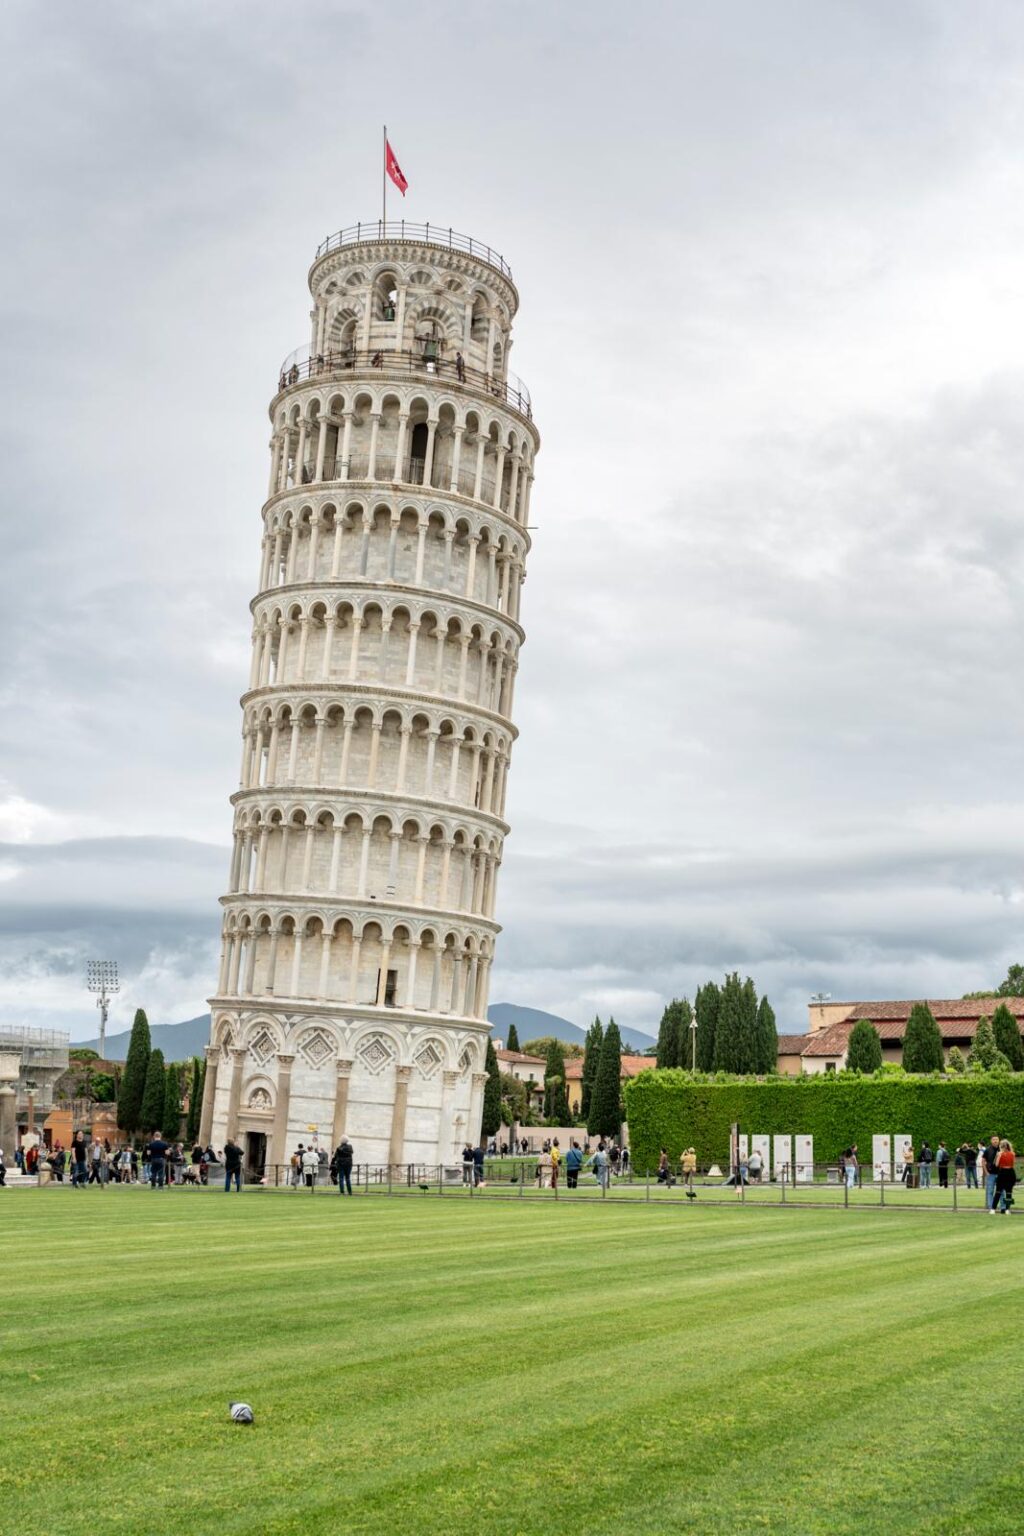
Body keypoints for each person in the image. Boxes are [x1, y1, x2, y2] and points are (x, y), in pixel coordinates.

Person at [992, 1139, 1016, 1215]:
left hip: (1007, 1173)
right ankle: (995, 1209)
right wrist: (999, 1155)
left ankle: (1005, 1209)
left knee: (1006, 1192)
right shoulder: (1002, 1153)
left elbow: (997, 1164)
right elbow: (996, 1164)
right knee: (1000, 1192)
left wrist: (1000, 1155)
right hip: (1005, 1172)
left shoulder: (1011, 1154)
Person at [982, 1135, 1000, 1210]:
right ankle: (991, 1207)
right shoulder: (987, 1150)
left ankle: (1003, 1207)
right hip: (991, 1174)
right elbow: (983, 1161)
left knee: (1001, 1192)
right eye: (993, 1139)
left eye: (996, 1139)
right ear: (991, 1141)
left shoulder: (1002, 1149)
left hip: (1000, 1174)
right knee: (990, 1191)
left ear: (999, 1140)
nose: (995, 1141)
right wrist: (986, 1172)